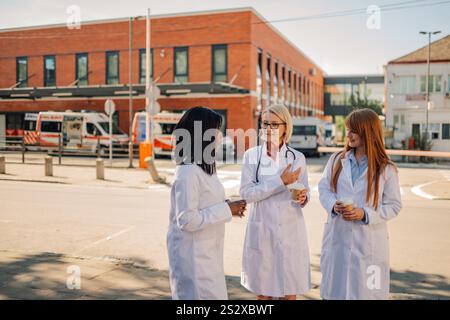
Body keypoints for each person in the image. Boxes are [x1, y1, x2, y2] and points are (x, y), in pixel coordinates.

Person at [318, 108, 402, 300]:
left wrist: (364, 214)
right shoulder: (337, 160)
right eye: (348, 129)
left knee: (367, 294)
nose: (348, 134)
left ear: (368, 131)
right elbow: (323, 189)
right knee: (334, 293)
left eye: (353, 130)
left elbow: (394, 205)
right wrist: (333, 205)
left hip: (369, 244)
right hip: (337, 238)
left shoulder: (386, 168)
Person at [167, 106, 246, 300]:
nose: (220, 135)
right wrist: (226, 208)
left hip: (207, 253)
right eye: (216, 130)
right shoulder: (188, 172)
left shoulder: (204, 168)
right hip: (193, 259)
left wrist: (228, 206)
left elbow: (206, 204)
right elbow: (187, 220)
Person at [239, 104, 311, 300]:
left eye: (273, 124)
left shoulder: (297, 157)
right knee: (264, 293)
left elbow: (305, 190)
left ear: (285, 127)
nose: (267, 129)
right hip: (262, 229)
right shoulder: (251, 156)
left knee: (289, 292)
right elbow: (246, 194)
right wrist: (280, 181)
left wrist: (304, 197)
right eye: (264, 124)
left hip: (290, 230)